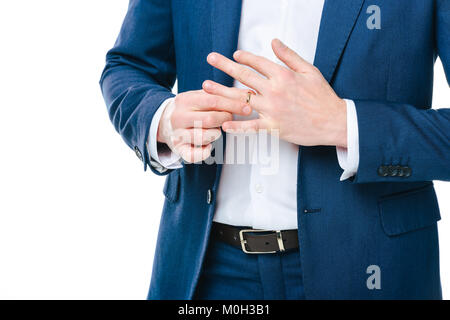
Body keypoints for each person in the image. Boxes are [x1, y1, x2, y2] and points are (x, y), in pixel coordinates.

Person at [100, 0, 450, 299]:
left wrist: (343, 123)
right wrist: (163, 119)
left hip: (369, 262)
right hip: (205, 267)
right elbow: (128, 66)